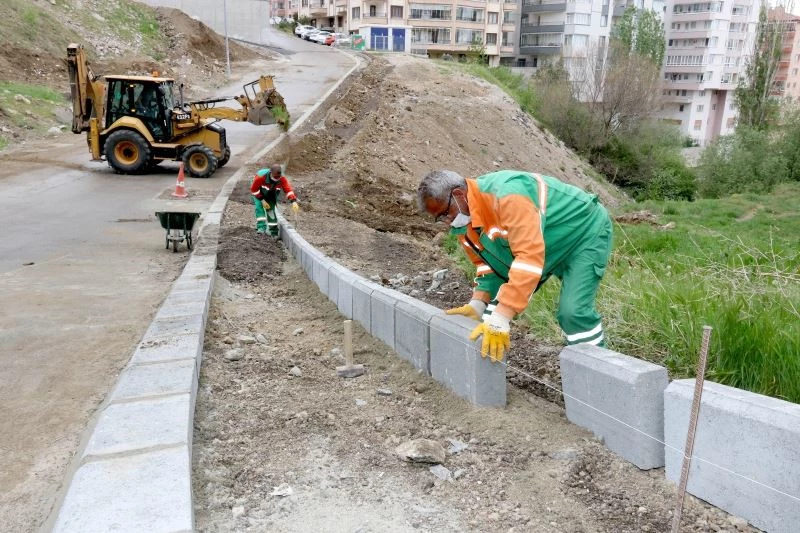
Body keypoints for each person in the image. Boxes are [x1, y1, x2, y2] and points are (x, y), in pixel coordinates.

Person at [417, 169, 612, 362]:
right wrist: (478, 303)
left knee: (573, 311)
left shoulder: (508, 195)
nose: (446, 222)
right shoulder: (463, 223)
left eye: (444, 213)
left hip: (582, 233)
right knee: (489, 316)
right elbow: (487, 265)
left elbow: (528, 257)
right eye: (439, 219)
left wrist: (503, 315)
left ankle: (597, 374)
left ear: (458, 195)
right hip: (544, 242)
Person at [250, 163, 300, 236]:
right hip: (259, 193)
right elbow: (254, 190)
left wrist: (293, 201)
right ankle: (261, 228)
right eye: (275, 177)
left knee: (271, 212)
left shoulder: (282, 178)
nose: (276, 179)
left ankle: (274, 232)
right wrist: (262, 200)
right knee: (259, 209)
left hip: (271, 195)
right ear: (270, 173)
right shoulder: (261, 177)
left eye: (278, 177)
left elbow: (288, 190)